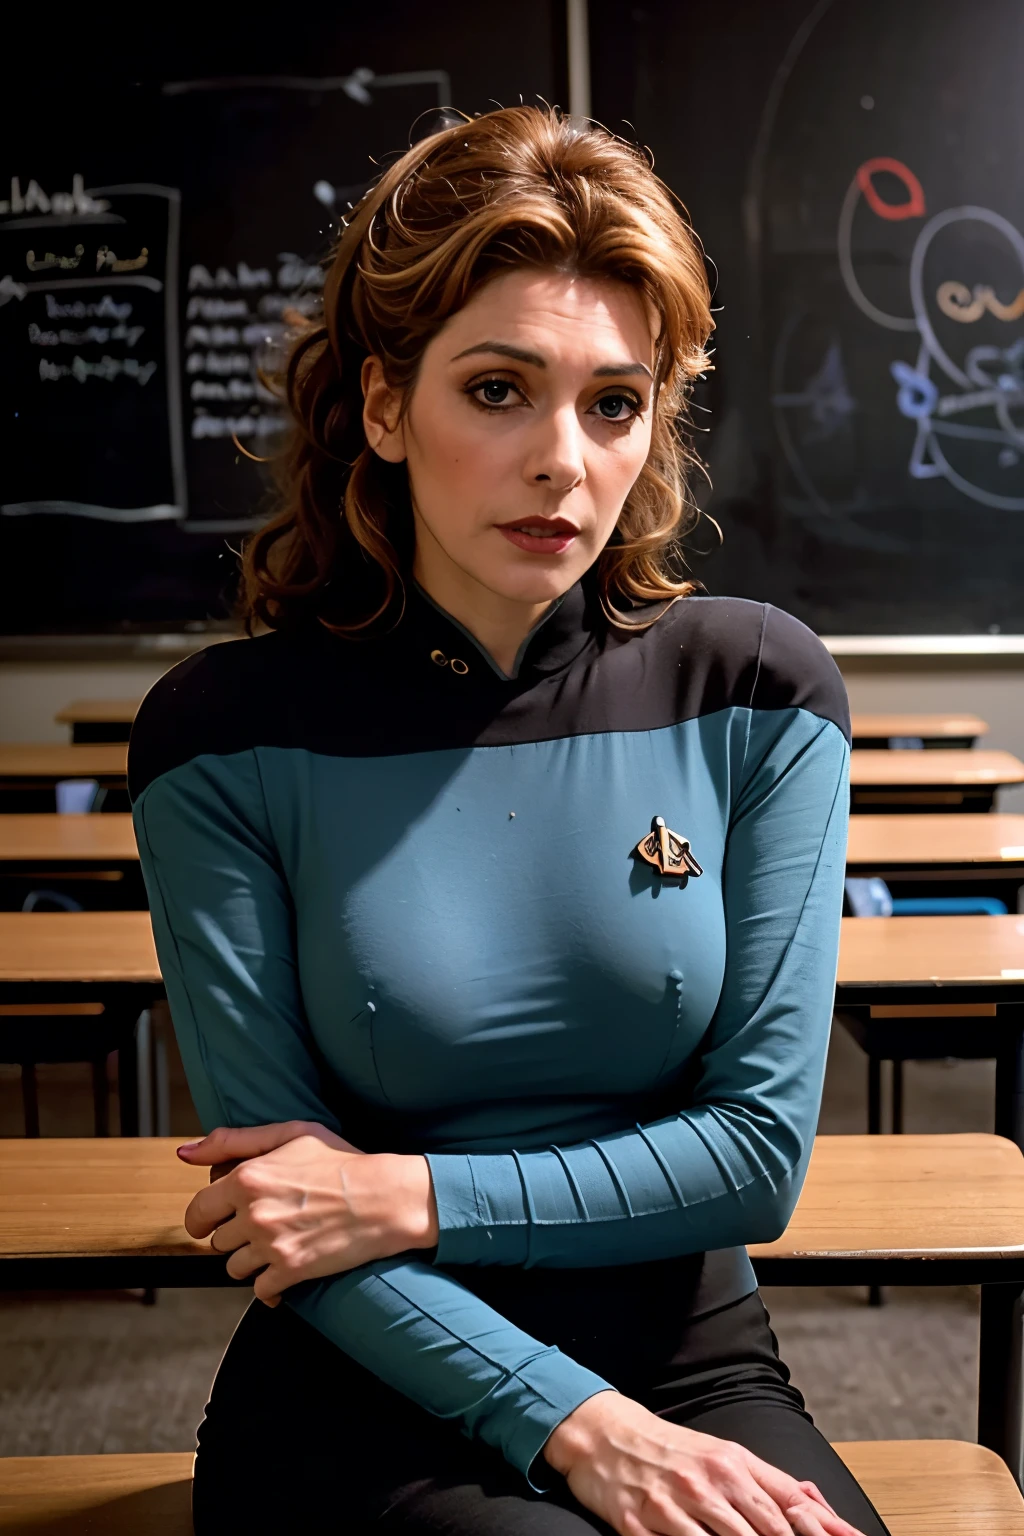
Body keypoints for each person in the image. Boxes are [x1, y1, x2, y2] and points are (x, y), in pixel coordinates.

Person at [128, 104, 887, 1536]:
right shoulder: (224, 735)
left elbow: (755, 1158)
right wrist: (581, 1430)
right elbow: (289, 1212)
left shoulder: (761, 687)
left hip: (690, 1356)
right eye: (498, 390)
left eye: (615, 402)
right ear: (380, 406)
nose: (565, 460)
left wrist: (410, 1190)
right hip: (369, 1363)